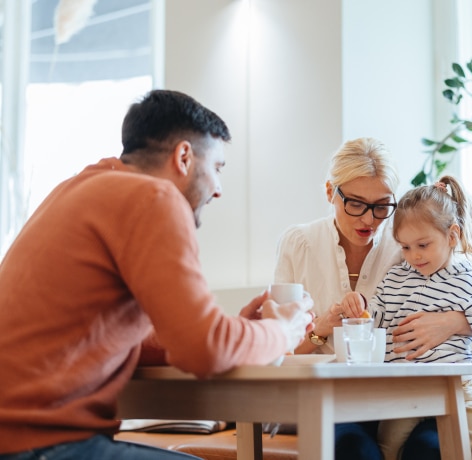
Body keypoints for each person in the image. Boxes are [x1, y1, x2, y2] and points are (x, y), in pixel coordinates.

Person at [0, 89, 313, 459]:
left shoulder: (77, 190)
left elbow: (163, 339)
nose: (219, 190)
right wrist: (282, 330)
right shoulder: (154, 198)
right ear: (183, 157)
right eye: (217, 168)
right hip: (42, 446)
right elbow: (204, 350)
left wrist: (231, 330)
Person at [274, 138, 472, 460]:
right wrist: (322, 327)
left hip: (408, 396)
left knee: (428, 450)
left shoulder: (407, 242)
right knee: (353, 450)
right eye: (355, 204)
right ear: (329, 192)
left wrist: (452, 322)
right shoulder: (299, 243)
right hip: (335, 401)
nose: (369, 219)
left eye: (381, 206)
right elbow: (278, 347)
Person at [339, 175, 472, 460]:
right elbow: (374, 320)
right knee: (389, 453)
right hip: (402, 394)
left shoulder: (470, 282)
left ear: (452, 235)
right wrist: (357, 305)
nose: (414, 256)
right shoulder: (395, 278)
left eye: (422, 245)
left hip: (456, 391)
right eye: (405, 247)